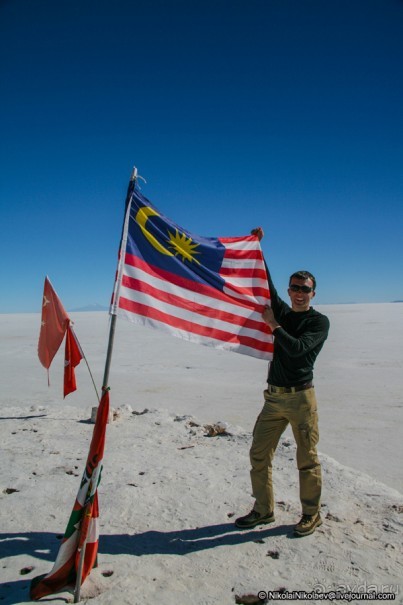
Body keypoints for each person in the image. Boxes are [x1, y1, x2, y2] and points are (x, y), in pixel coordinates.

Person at [235, 227, 330, 537]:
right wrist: (256, 249)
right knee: (259, 453)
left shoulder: (317, 322)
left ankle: (311, 514)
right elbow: (266, 285)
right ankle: (263, 509)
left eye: (305, 288)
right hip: (274, 398)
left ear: (313, 293)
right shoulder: (285, 311)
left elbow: (299, 349)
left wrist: (274, 326)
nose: (299, 292)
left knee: (307, 459)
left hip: (302, 399)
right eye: (295, 288)